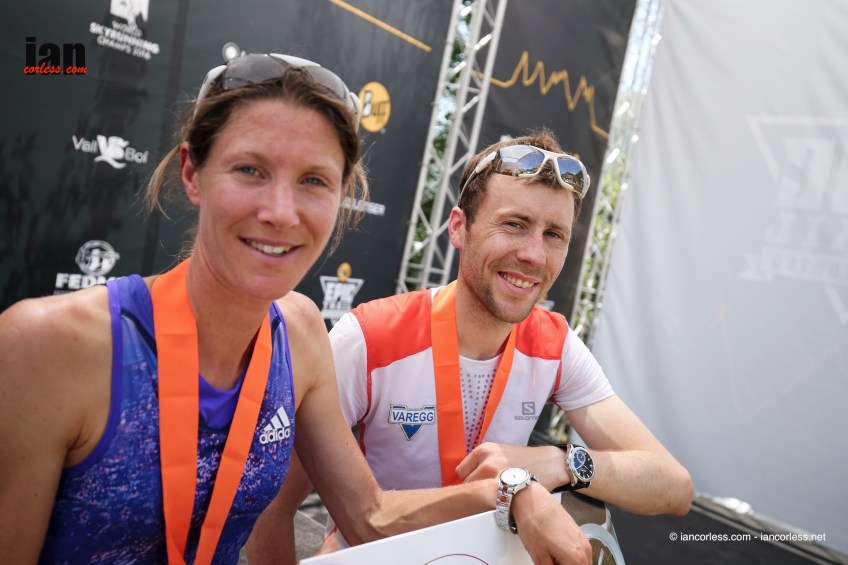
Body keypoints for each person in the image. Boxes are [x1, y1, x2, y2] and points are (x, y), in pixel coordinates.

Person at [0, 54, 591, 564]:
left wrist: (516, 490)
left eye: (313, 181)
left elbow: (369, 516)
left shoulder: (300, 331)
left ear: (342, 196)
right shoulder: (51, 344)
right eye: (250, 170)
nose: (281, 212)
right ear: (192, 173)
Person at [247, 129, 693, 561]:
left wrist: (558, 462)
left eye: (554, 234)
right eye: (514, 224)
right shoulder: (368, 338)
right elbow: (271, 509)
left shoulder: (555, 345)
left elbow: (673, 486)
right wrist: (516, 486)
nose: (534, 254)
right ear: (459, 228)